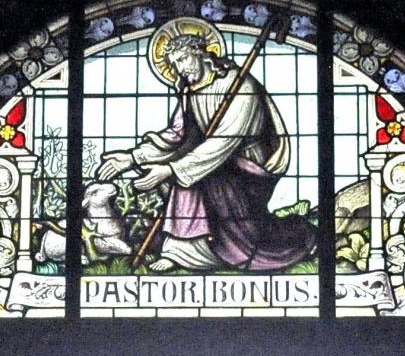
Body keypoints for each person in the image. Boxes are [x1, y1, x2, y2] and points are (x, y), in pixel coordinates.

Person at [95, 19, 316, 274]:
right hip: (216, 160)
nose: (179, 70)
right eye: (174, 64)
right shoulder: (190, 92)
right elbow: (176, 136)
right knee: (186, 170)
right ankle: (183, 250)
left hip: (248, 164)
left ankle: (197, 249)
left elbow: (226, 141)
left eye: (183, 60)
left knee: (191, 175)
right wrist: (132, 158)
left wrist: (171, 169)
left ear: (200, 53)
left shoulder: (240, 86)